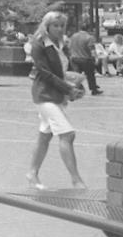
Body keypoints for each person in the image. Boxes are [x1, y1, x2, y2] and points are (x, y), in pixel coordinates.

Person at [26, 10, 87, 190]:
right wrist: (68, 88)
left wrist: (76, 87)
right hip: (44, 95)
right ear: (47, 26)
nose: (60, 29)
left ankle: (32, 173)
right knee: (68, 134)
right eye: (56, 25)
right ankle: (76, 179)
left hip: (57, 95)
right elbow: (44, 73)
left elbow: (65, 70)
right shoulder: (39, 44)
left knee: (45, 135)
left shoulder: (62, 43)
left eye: (62, 26)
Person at [66, 25, 102, 95]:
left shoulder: (73, 36)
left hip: (74, 59)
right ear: (88, 29)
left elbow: (69, 46)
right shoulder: (89, 37)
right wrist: (96, 58)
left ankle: (74, 89)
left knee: (76, 76)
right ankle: (93, 90)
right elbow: (92, 50)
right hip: (85, 59)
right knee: (90, 75)